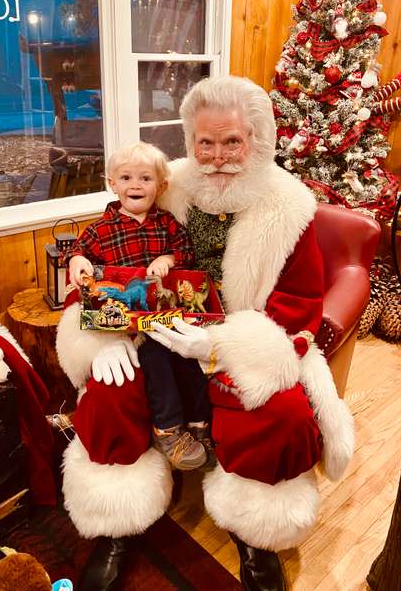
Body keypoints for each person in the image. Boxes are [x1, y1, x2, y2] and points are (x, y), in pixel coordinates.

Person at [56, 77, 354, 591]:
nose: (216, 156)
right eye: (205, 143)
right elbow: (99, 267)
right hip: (154, 336)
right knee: (108, 393)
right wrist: (102, 337)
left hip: (241, 342)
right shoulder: (163, 187)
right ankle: (116, 519)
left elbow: (299, 306)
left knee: (281, 415)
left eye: (232, 141)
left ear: (257, 140)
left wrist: (223, 345)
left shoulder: (289, 209)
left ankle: (256, 531)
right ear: (190, 142)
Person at [65, 141, 211, 471]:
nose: (135, 185)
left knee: (189, 361)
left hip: (167, 312)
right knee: (155, 359)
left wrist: (168, 258)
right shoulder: (100, 230)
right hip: (129, 322)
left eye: (145, 178)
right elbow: (77, 251)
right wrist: (76, 261)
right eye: (126, 177)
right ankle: (168, 429)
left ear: (160, 186)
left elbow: (186, 254)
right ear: (112, 183)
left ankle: (200, 424)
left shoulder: (167, 223)